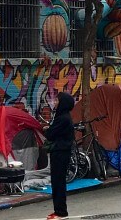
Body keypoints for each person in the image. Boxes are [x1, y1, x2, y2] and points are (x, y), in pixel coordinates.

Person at [43, 92, 75, 220]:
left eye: (57, 100)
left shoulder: (63, 118)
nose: (55, 103)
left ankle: (61, 212)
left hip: (60, 152)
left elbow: (51, 134)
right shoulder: (63, 117)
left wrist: (47, 130)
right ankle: (58, 210)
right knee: (57, 182)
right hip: (61, 151)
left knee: (58, 182)